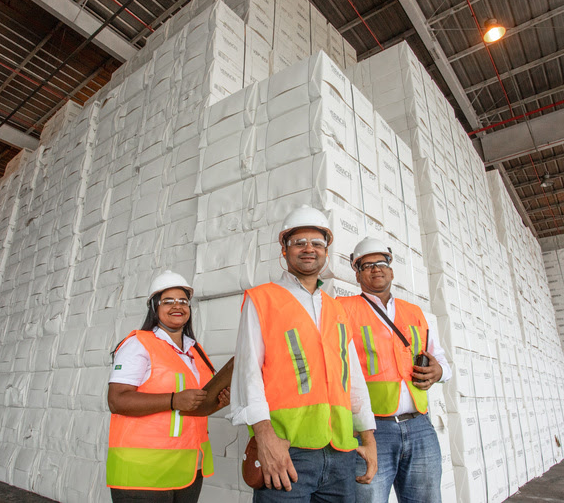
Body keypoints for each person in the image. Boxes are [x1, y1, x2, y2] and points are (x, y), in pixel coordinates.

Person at [229, 204, 378, 502]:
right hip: (288, 452)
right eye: (299, 243)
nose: (309, 249)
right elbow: (248, 373)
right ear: (284, 250)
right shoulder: (262, 299)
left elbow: (353, 377)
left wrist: (368, 436)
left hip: (341, 452)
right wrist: (265, 438)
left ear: (326, 252)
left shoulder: (336, 308)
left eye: (317, 243)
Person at [337, 237, 452, 503]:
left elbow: (443, 362)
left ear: (391, 269)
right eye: (367, 265)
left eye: (381, 263)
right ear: (357, 273)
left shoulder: (414, 313)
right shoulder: (343, 309)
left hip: (420, 425)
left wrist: (440, 372)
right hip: (371, 430)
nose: (376, 268)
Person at [106, 270, 230, 503]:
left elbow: (193, 407)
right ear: (154, 307)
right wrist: (173, 400)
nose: (178, 306)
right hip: (143, 472)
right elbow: (116, 400)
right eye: (168, 301)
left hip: (189, 468)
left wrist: (218, 402)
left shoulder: (195, 352)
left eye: (183, 301)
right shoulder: (138, 344)